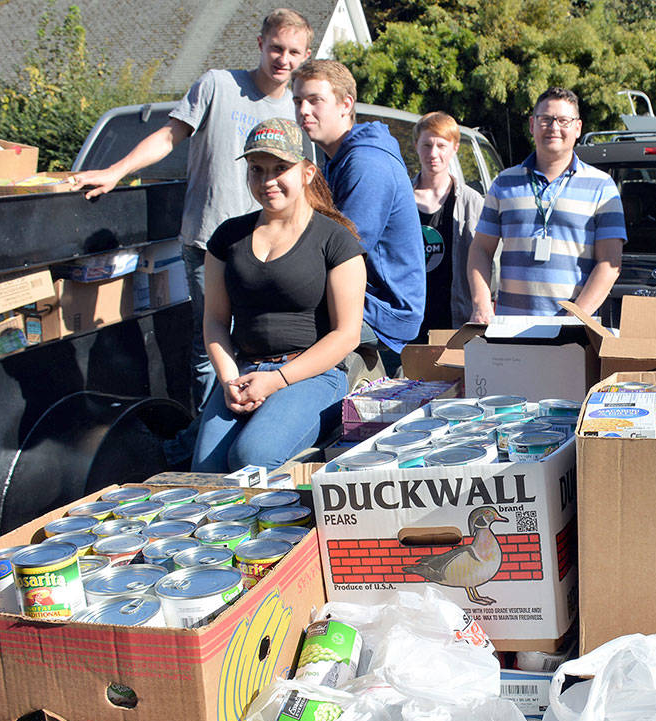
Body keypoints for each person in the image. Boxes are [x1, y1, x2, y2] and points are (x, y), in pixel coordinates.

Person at [72, 9, 313, 411]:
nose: (283, 60)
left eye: (293, 52)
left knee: (265, 347)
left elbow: (307, 182)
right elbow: (169, 136)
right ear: (259, 44)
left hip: (274, 250)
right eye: (276, 48)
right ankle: (205, 433)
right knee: (211, 349)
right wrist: (116, 172)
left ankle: (255, 424)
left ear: (305, 56)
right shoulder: (217, 84)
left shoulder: (299, 110)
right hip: (209, 244)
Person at [192, 118, 366, 472]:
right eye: (257, 169)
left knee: (251, 457)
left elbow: (347, 334)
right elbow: (214, 321)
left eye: (280, 168)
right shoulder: (227, 238)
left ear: (307, 172)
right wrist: (228, 379)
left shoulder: (336, 241)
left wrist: (277, 379)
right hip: (243, 371)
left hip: (312, 374)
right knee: (206, 473)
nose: (267, 180)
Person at [293, 59, 425, 375]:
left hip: (384, 316)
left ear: (345, 104)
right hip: (361, 303)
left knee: (282, 325)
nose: (303, 111)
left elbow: (341, 250)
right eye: (298, 101)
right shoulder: (338, 159)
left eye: (315, 100)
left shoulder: (367, 164)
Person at [468, 87, 625, 321]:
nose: (554, 127)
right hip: (509, 327)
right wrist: (481, 304)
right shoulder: (504, 183)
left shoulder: (602, 187)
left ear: (577, 128)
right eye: (546, 119)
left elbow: (609, 264)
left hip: (571, 334)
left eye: (563, 120)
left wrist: (574, 318)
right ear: (532, 124)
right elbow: (480, 249)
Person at [411, 112, 485, 334]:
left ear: (454, 148)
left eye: (441, 145)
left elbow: (490, 259)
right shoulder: (400, 200)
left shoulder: (471, 202)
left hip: (456, 319)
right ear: (416, 145)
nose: (433, 153)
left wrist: (482, 305)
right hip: (412, 320)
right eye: (427, 145)